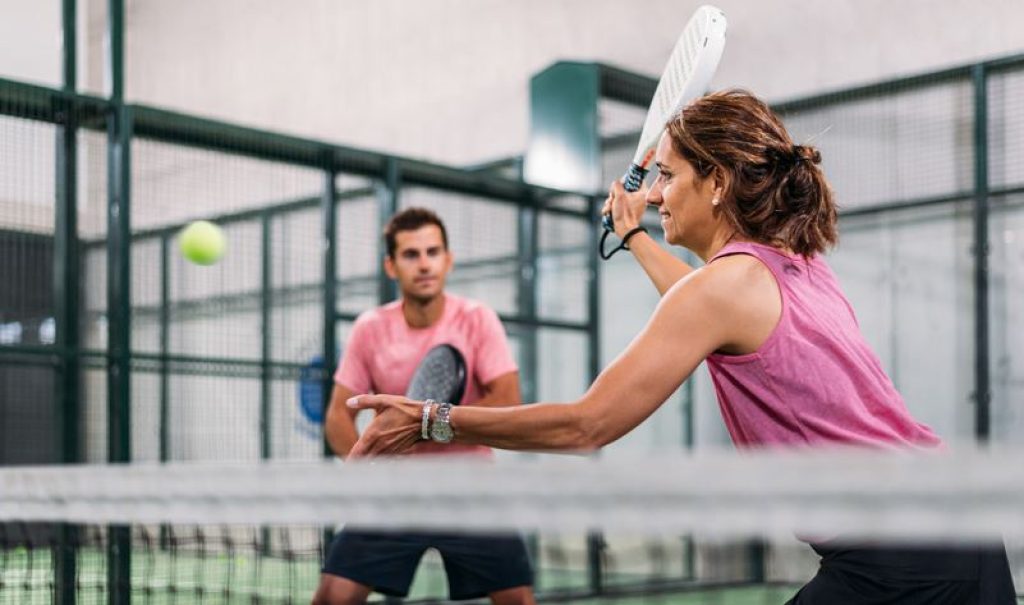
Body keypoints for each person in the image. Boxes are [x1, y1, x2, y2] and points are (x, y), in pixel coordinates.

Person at [345, 91, 1017, 604]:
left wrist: (432, 419)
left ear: (717, 182)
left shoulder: (725, 289)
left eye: (668, 175)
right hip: (961, 530)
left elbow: (587, 424)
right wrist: (636, 235)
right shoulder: (794, 261)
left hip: (897, 557)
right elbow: (699, 304)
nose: (658, 193)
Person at [312, 207, 535, 605]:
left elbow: (507, 400)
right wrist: (366, 469)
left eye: (433, 252)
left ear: (448, 260)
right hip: (395, 495)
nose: (425, 264)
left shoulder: (476, 319)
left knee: (517, 600)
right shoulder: (370, 328)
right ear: (391, 266)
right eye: (411, 255)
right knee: (332, 596)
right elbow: (337, 415)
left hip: (471, 491)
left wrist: (425, 424)